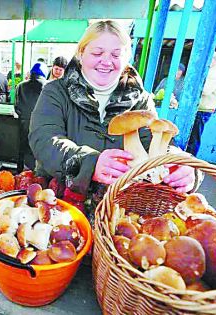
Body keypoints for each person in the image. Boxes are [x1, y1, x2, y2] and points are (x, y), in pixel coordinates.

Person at [29, 21, 197, 215]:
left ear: (126, 58)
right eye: (97, 53)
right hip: (59, 206)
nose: (107, 61)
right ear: (81, 54)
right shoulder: (56, 92)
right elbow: (44, 139)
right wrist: (89, 163)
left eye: (116, 55)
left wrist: (180, 163)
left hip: (118, 211)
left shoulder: (139, 99)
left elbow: (153, 145)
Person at [187, 52, 216, 155]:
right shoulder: (212, 71)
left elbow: (205, 90)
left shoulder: (215, 73)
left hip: (203, 111)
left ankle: (189, 162)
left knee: (194, 139)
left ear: (212, 60)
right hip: (200, 110)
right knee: (191, 137)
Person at [15, 62, 48, 172]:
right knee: (38, 152)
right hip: (41, 125)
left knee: (22, 150)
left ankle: (20, 174)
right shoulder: (47, 86)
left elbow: (17, 107)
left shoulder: (20, 86)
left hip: (23, 123)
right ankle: (36, 177)